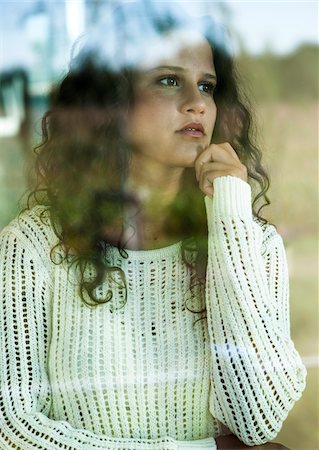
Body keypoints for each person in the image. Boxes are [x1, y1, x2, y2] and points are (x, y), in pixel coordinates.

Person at [0, 2, 306, 449]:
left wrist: (230, 219)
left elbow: (258, 420)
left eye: (207, 85)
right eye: (168, 80)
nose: (197, 103)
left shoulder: (251, 242)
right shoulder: (33, 245)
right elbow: (14, 429)